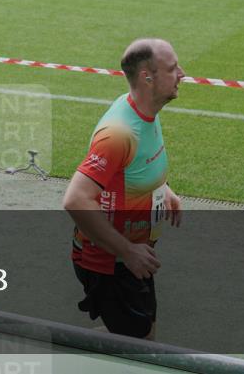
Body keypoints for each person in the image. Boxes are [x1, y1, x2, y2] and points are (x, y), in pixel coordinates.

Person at [62, 38, 185, 339]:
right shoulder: (118, 133)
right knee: (142, 343)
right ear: (147, 77)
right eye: (172, 68)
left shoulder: (144, 110)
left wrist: (162, 187)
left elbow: (134, 166)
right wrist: (127, 251)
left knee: (141, 334)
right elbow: (76, 199)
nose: (182, 74)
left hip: (132, 254)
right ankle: (75, 346)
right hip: (111, 262)